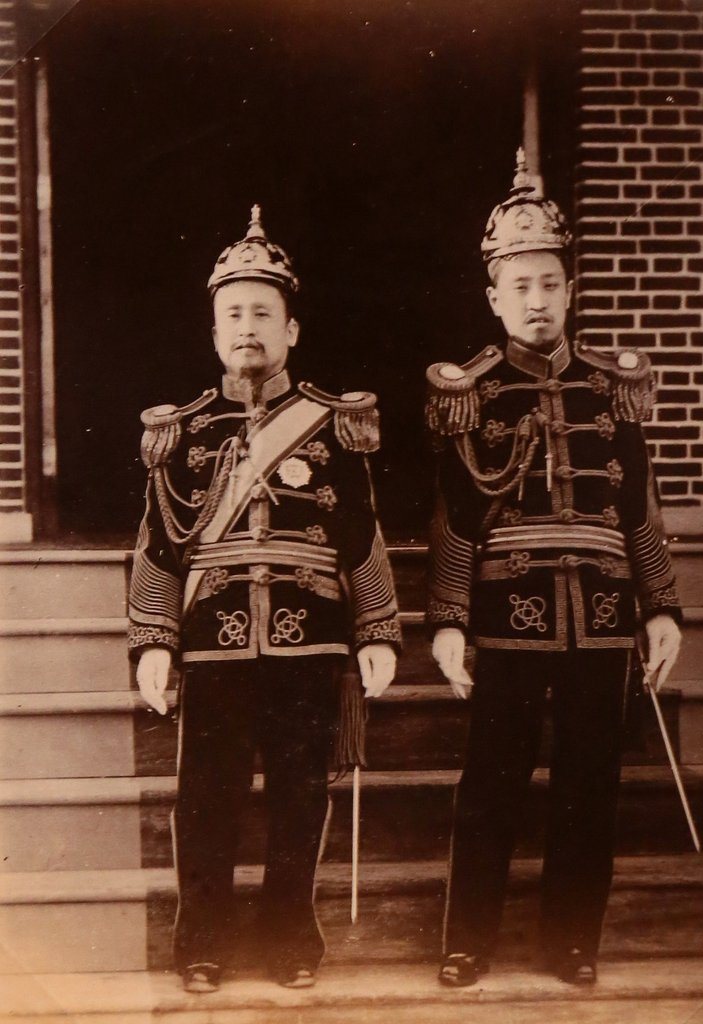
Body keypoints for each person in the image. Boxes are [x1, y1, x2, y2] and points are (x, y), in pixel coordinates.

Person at [425, 150, 682, 987]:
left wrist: (661, 607)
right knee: (490, 785)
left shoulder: (611, 388)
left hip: (603, 617)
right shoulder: (471, 392)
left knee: (588, 785)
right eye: (520, 287)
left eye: (549, 284)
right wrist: (449, 621)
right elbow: (454, 518)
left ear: (570, 291)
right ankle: (468, 941)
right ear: (494, 297)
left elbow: (639, 506)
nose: (537, 301)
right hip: (509, 614)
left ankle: (572, 942)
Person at [127, 207, 400, 993]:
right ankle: (201, 945)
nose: (248, 327)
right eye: (234, 315)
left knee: (299, 797)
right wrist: (154, 640)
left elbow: (362, 536)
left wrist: (376, 630)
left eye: (263, 314)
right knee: (205, 800)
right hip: (212, 639)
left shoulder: (334, 425)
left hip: (309, 639)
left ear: (292, 329)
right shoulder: (181, 433)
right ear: (215, 332)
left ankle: (290, 941)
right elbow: (157, 546)